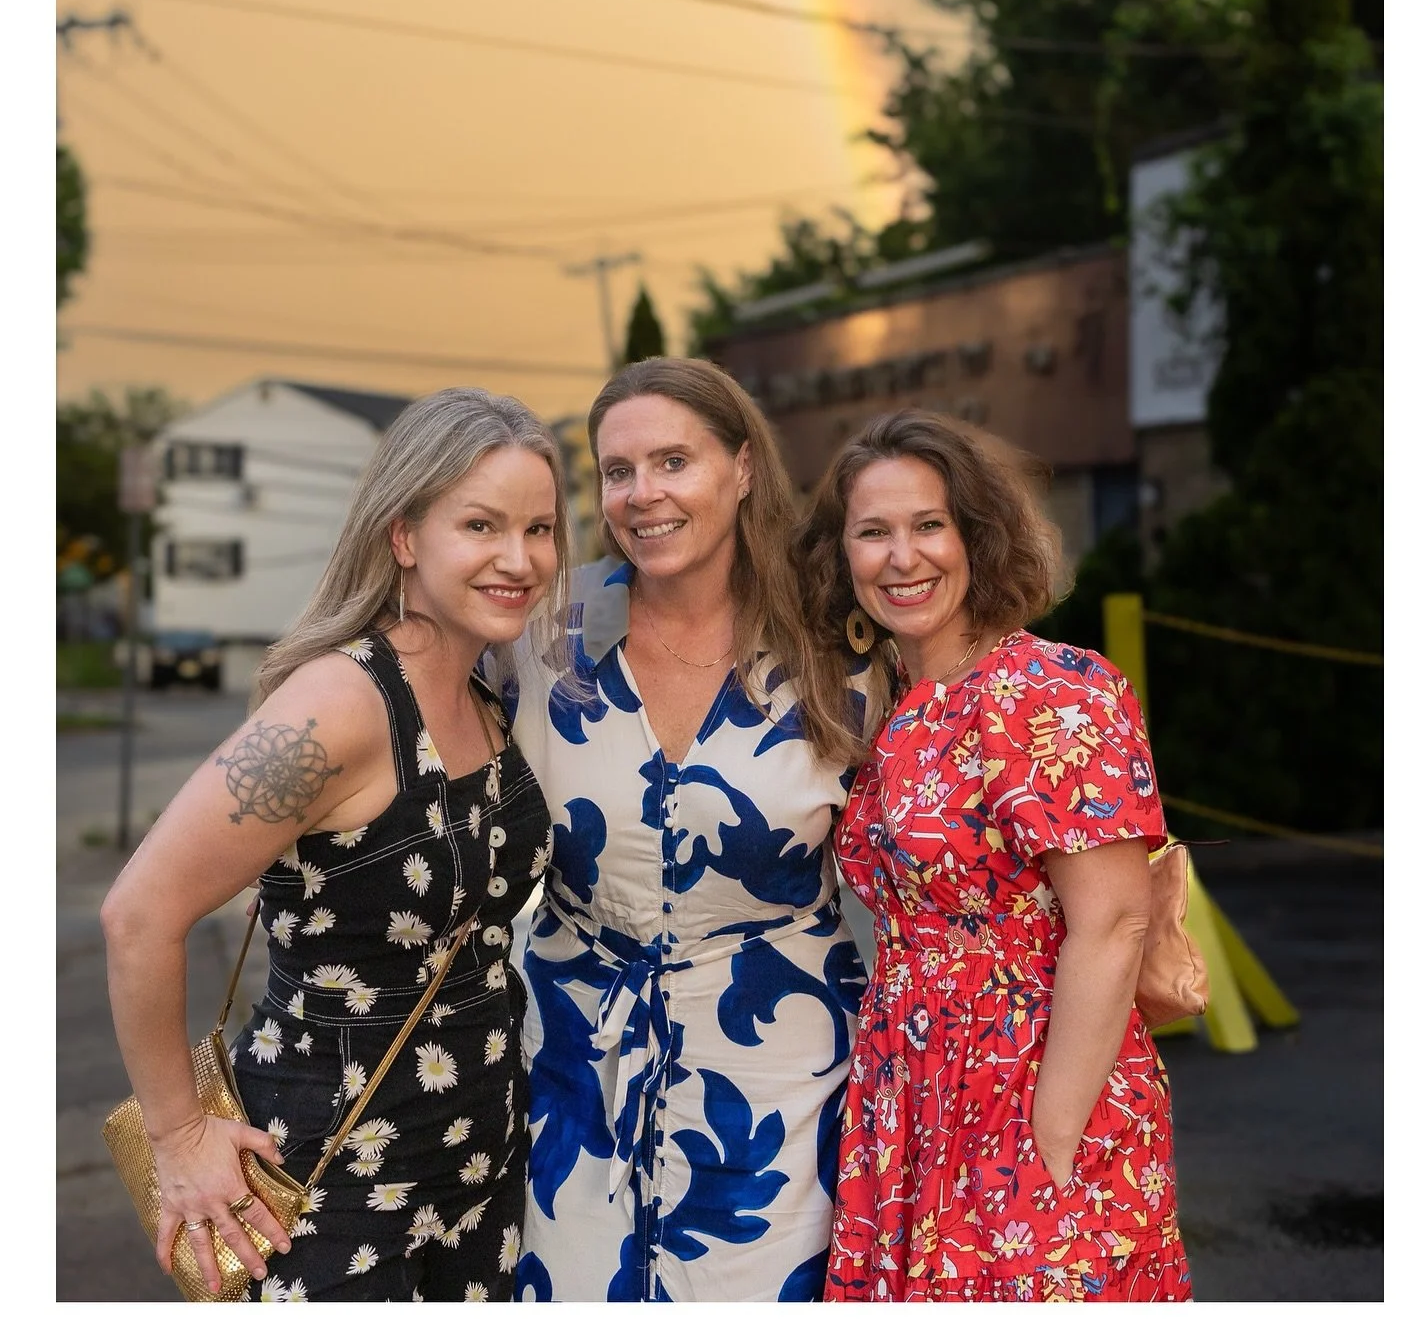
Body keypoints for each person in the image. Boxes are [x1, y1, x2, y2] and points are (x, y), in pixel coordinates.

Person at [101, 389, 568, 1302]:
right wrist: (178, 1138)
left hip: (477, 1164)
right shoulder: (340, 704)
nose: (520, 559)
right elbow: (139, 914)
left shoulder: (485, 696)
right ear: (404, 537)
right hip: (335, 1181)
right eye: (481, 525)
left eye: (540, 529)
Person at [795, 410, 1191, 1303]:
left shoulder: (1051, 688)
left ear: (975, 535)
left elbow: (1116, 921)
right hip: (911, 1091)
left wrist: (1049, 1137)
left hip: (1036, 1086)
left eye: (928, 525)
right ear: (842, 555)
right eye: (873, 532)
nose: (903, 558)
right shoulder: (898, 707)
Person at [499, 357, 871, 1302]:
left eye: (674, 461)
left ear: (742, 467)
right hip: (571, 1067)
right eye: (617, 470)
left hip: (784, 1081)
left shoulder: (841, 646)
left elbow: (942, 832)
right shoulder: (542, 630)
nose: (643, 494)